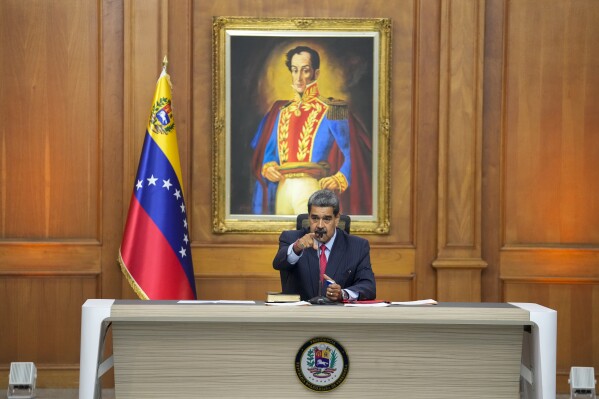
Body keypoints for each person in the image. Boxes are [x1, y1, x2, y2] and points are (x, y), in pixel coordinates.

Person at [251, 45, 372, 215]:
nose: (299, 77)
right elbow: (269, 154)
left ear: (316, 73)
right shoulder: (280, 111)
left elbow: (353, 152)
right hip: (282, 189)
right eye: (294, 70)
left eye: (305, 71)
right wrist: (268, 166)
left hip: (310, 187)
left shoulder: (333, 109)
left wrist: (340, 177)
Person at [273, 189, 376, 302]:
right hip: (300, 315)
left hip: (338, 316)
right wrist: (297, 247)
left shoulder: (357, 246)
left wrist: (343, 294)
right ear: (309, 217)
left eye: (327, 219)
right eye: (315, 218)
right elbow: (278, 263)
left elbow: (369, 287)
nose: (320, 225)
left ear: (336, 219)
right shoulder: (291, 239)